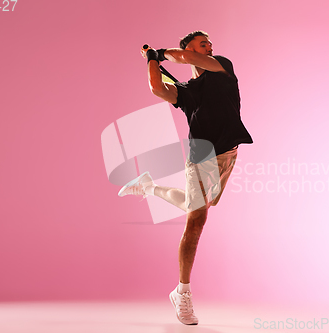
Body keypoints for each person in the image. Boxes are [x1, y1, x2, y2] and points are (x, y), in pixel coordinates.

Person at [118, 30, 253, 325]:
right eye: (203, 42)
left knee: (200, 206)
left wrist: (160, 52)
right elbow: (157, 88)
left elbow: (185, 58)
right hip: (202, 158)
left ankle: (148, 185)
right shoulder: (186, 90)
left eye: (210, 43)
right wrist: (153, 61)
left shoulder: (222, 66)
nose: (210, 45)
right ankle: (183, 293)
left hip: (228, 154)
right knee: (196, 220)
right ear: (189, 46)